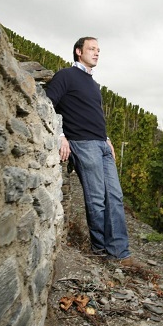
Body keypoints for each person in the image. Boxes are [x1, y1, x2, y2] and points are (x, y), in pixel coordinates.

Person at [45, 37, 138, 266]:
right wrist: (60, 136)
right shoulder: (65, 76)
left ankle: (120, 252)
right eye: (92, 49)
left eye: (98, 50)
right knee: (97, 198)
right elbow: (46, 103)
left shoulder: (93, 84)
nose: (97, 53)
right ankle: (99, 249)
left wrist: (107, 139)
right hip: (83, 143)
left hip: (101, 145)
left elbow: (93, 114)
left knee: (115, 196)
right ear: (78, 51)